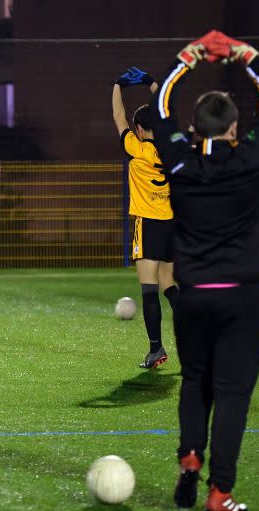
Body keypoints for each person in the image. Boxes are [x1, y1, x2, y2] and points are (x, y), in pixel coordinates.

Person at [149, 31, 259, 511]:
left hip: (194, 296)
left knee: (195, 383)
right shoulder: (249, 158)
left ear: (194, 127)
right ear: (234, 128)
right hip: (242, 298)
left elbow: (160, 104)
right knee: (231, 395)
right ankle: (219, 490)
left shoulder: (180, 160)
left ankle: (189, 458)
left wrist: (186, 59)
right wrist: (247, 57)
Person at [111, 66, 180, 369]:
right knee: (170, 284)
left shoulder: (136, 150)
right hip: (173, 224)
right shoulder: (171, 149)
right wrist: (153, 83)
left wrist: (117, 85)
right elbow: (171, 109)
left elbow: (118, 117)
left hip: (148, 224)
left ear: (140, 129)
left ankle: (156, 349)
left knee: (149, 288)